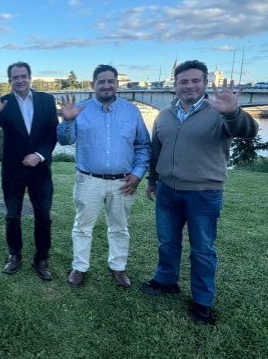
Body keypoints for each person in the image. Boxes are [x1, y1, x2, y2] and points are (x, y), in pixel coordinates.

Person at [141, 60, 258, 325]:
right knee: (167, 241)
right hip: (167, 190)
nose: (189, 86)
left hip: (203, 193)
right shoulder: (164, 115)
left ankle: (202, 300)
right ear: (175, 85)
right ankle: (165, 280)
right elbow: (157, 150)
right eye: (183, 81)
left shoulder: (218, 111)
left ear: (205, 83)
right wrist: (152, 181)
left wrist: (232, 112)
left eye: (195, 80)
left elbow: (248, 131)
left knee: (203, 249)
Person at [57, 65, 151, 289]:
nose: (106, 85)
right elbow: (64, 140)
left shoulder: (131, 111)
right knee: (82, 226)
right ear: (93, 84)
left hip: (123, 182)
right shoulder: (80, 109)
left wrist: (138, 174)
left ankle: (118, 266)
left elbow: (143, 146)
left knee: (119, 227)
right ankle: (80, 267)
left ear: (117, 84)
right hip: (88, 180)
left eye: (111, 81)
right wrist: (67, 121)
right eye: (101, 81)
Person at [0, 61, 58, 281]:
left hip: (41, 169)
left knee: (43, 216)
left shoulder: (46, 100)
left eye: (23, 76)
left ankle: (41, 258)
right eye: (15, 77)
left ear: (30, 77)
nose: (20, 80)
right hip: (12, 170)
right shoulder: (3, 102)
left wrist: (39, 155)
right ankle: (14, 255)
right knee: (12, 216)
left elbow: (53, 133)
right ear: (10, 80)